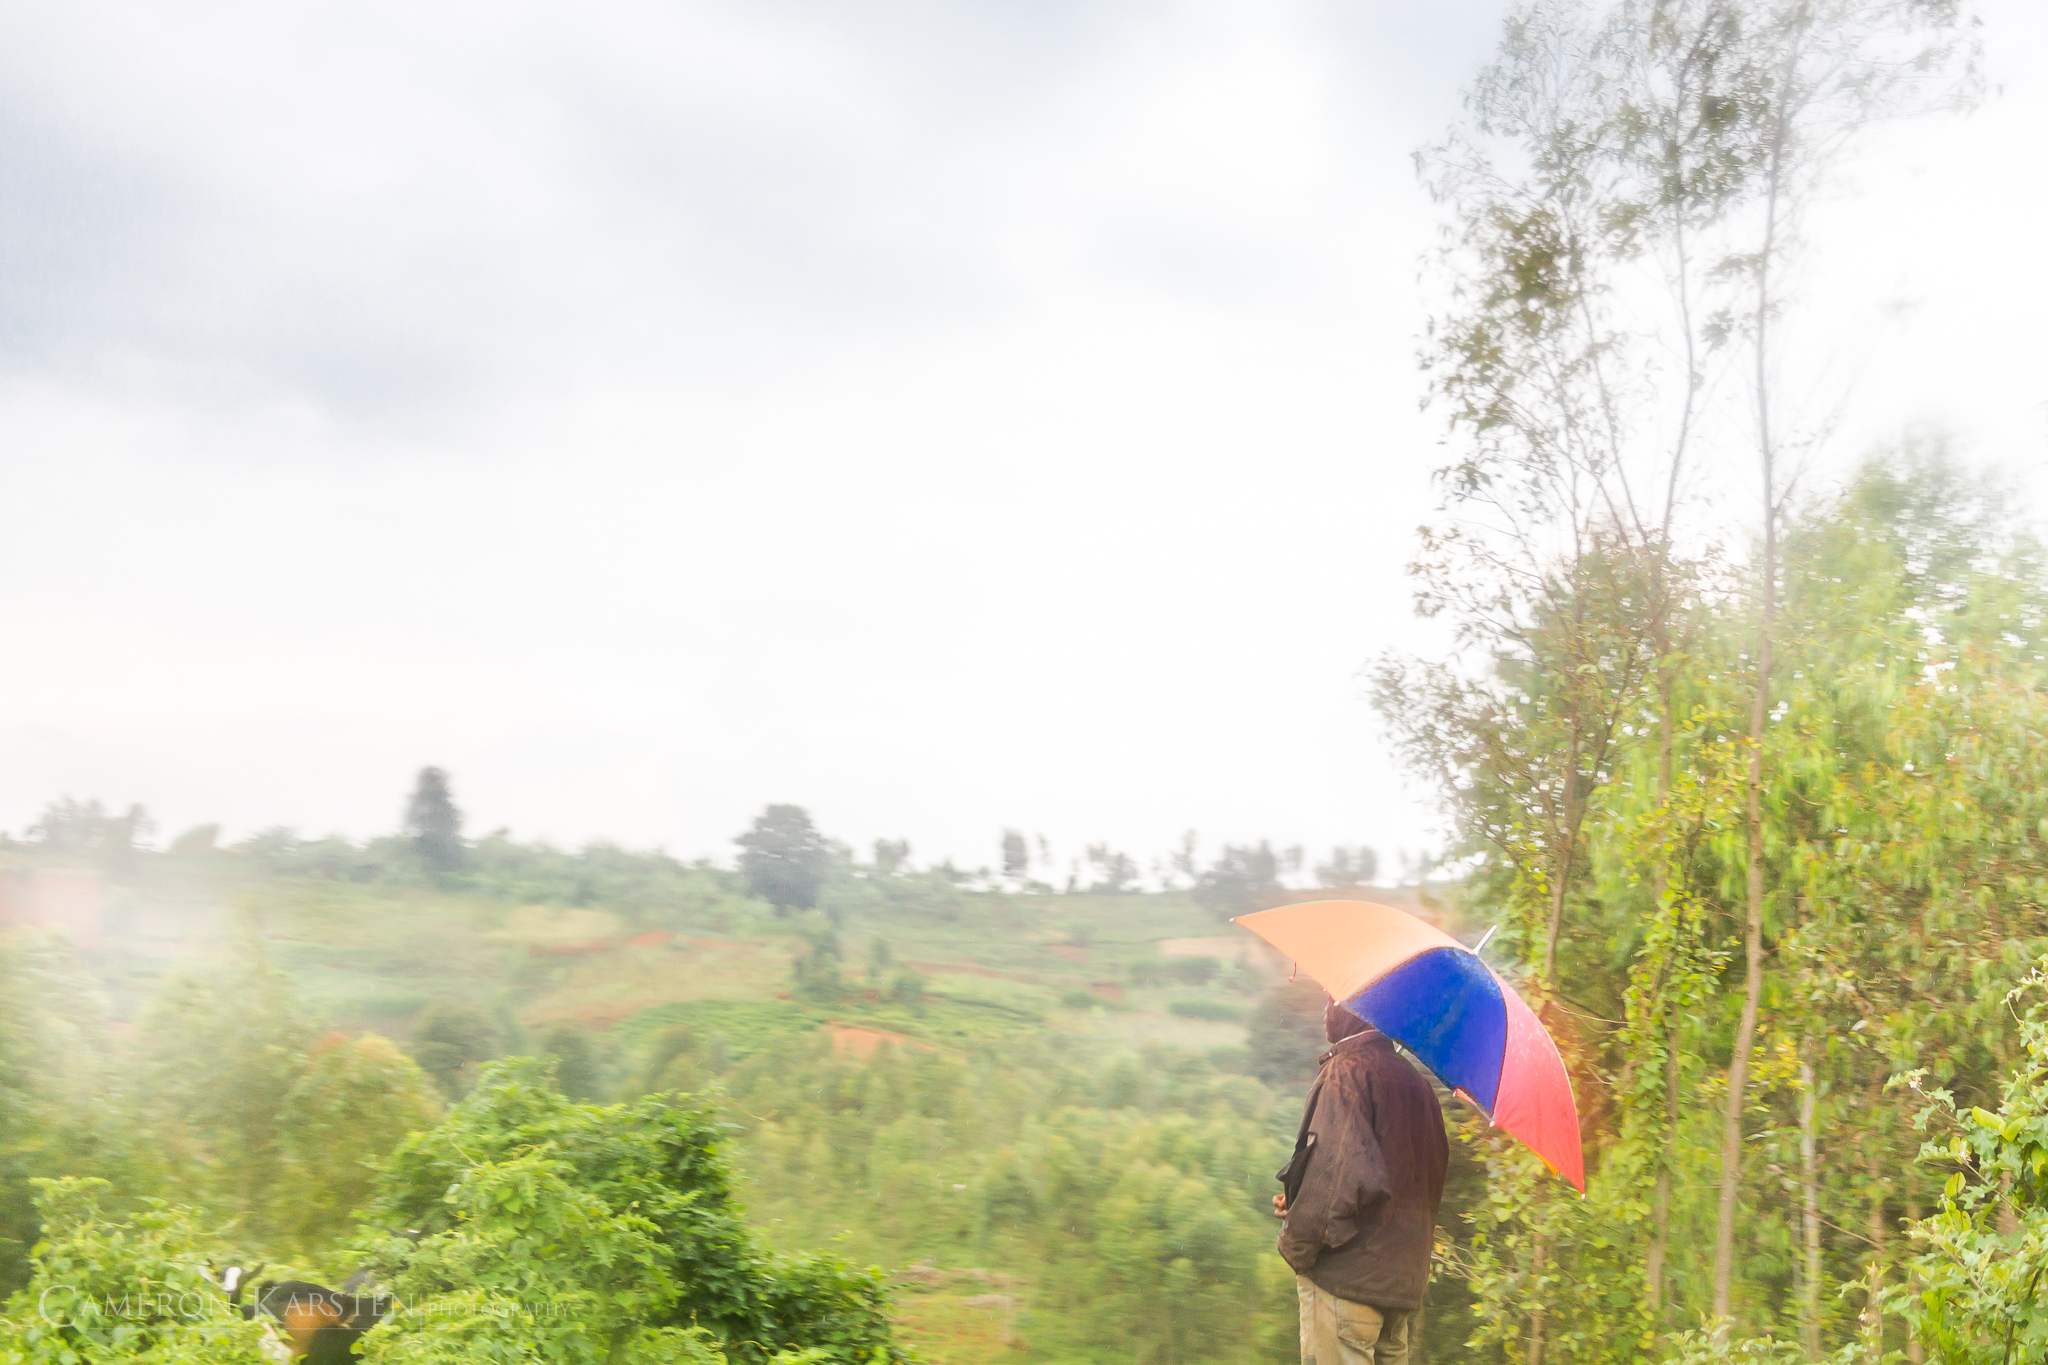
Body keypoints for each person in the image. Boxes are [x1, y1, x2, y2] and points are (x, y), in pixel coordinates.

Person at [1272, 1000, 1448, 1365]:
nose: (1325, 1010)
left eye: (1332, 1000)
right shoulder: (1420, 1087)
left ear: (1358, 1009)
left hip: (1345, 1285)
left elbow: (1333, 1183)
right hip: (1398, 1292)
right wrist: (1300, 1198)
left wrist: (1295, 1248)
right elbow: (1406, 1183)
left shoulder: (1346, 1071)